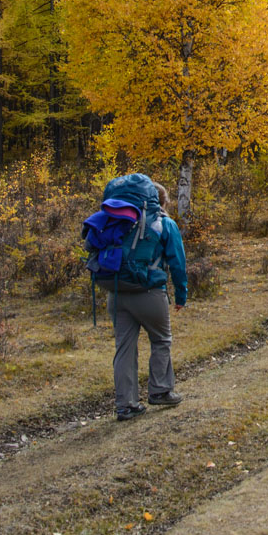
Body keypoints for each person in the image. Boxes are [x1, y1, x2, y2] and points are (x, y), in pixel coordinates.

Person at [102, 177, 187, 420]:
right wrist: (181, 294)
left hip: (117, 292)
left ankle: (126, 405)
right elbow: (177, 263)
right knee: (161, 339)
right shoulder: (164, 223)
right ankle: (160, 390)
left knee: (124, 348)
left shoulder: (121, 221)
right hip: (149, 292)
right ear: (162, 201)